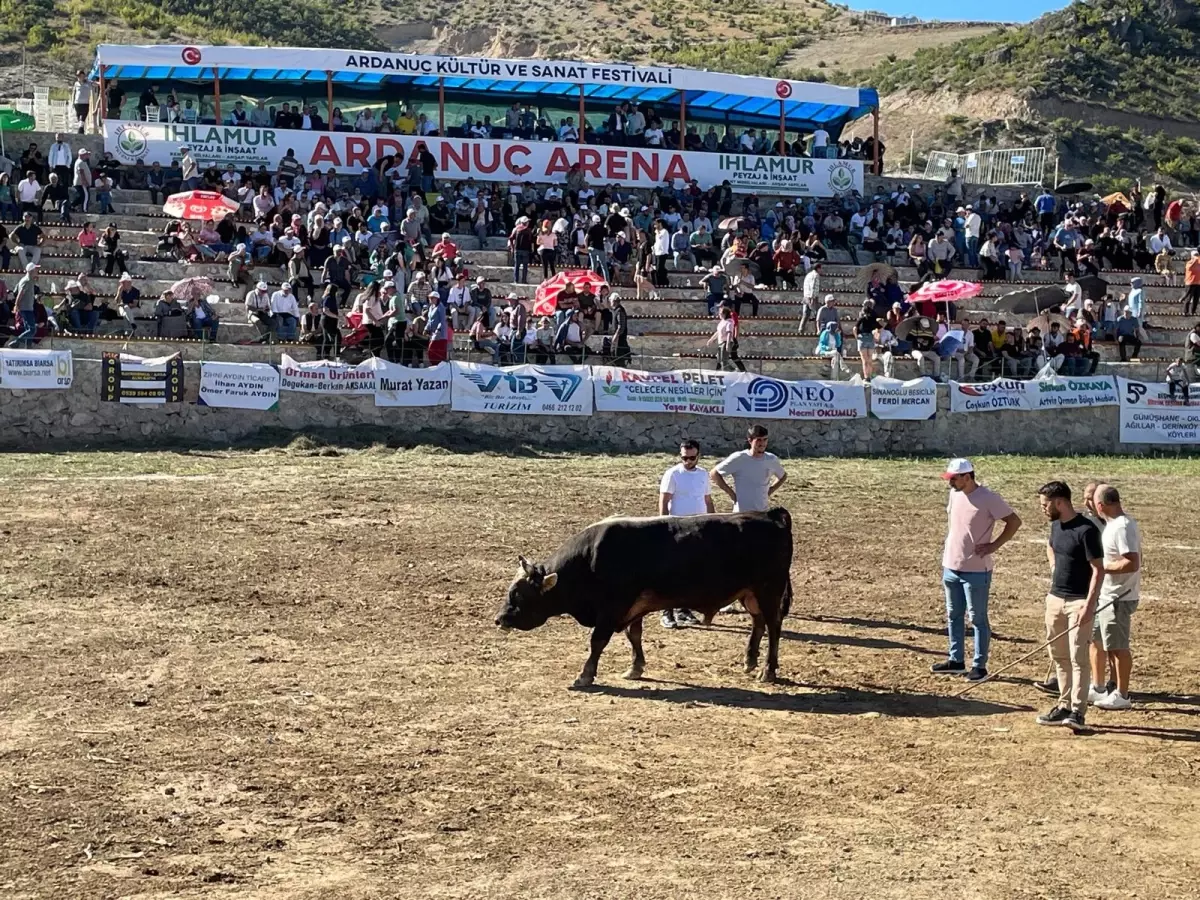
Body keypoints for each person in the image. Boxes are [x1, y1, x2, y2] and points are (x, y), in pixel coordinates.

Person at [932, 459, 1022, 681]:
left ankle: (979, 665)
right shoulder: (954, 494)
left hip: (976, 569)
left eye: (954, 478)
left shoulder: (989, 498)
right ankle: (956, 660)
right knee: (954, 615)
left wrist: (994, 546)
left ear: (967, 477)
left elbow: (1014, 522)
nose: (950, 482)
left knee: (977, 618)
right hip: (951, 565)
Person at [1035, 481, 1104, 733]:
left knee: (1078, 658)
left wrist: (1089, 604)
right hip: (1055, 599)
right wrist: (1054, 568)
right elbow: (1051, 546)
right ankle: (1063, 705)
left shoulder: (1086, 530)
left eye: (1045, 504)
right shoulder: (1056, 526)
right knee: (1060, 656)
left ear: (1060, 502)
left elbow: (1098, 569)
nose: (1043, 509)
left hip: (1079, 602)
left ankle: (1077, 711)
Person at [1090, 485, 1141, 711]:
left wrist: (1103, 568)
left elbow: (1132, 561)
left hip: (1119, 597)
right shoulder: (1113, 525)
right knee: (1103, 643)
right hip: (1107, 595)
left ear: (1100, 505)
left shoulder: (1122, 527)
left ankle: (1122, 694)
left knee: (1118, 647)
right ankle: (1102, 687)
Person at [658, 439, 715, 629]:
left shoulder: (703, 474)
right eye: (684, 458)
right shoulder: (673, 474)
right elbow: (664, 500)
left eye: (692, 458)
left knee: (692, 571)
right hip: (677, 528)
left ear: (698, 455)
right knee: (673, 571)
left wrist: (713, 522)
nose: (688, 461)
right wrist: (663, 524)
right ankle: (667, 611)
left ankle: (684, 609)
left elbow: (707, 499)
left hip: (698, 528)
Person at [711, 425, 786, 513]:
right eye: (759, 440)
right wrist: (732, 494)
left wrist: (770, 490)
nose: (762, 443)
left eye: (765, 439)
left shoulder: (771, 459)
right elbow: (714, 474)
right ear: (750, 440)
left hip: (762, 513)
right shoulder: (739, 458)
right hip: (741, 514)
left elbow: (783, 476)